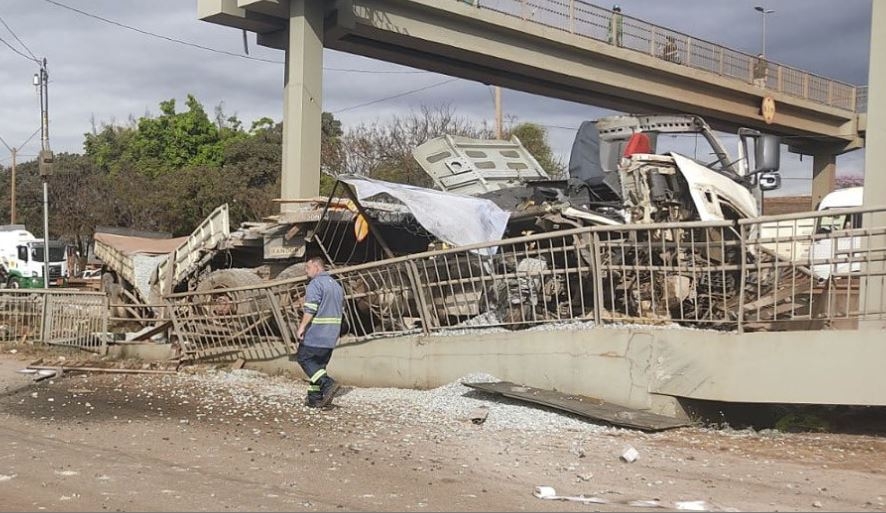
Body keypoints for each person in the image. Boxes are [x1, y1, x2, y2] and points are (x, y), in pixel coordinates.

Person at [294, 256, 345, 408]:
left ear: (317, 267)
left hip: (317, 332)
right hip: (332, 334)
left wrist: (302, 327)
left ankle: (327, 383)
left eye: (308, 268)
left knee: (304, 359)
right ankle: (314, 398)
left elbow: (311, 308)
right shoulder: (336, 286)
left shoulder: (315, 284)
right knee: (318, 366)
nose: (306, 271)